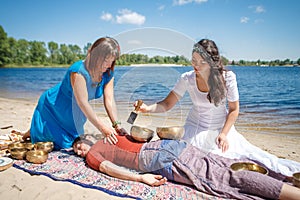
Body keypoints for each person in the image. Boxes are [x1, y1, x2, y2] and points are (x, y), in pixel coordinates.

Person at [133, 39, 300, 176]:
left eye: (202, 62)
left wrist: (224, 134)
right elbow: (167, 103)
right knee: (194, 161)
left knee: (250, 158)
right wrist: (147, 109)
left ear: (212, 62)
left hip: (221, 129)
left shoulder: (227, 77)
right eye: (193, 60)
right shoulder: (187, 78)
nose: (196, 66)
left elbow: (234, 110)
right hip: (194, 128)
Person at [73, 133, 300, 200]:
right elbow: (110, 166)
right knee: (231, 165)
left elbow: (108, 169)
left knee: (225, 178)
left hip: (159, 156)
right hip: (174, 146)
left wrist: (142, 178)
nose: (81, 152)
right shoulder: (107, 141)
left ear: (87, 139)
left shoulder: (96, 148)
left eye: (79, 146)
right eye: (77, 152)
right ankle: (288, 180)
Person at [12, 37, 127, 150]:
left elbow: (109, 100)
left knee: (70, 140)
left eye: (111, 61)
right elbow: (83, 103)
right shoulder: (78, 71)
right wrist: (102, 128)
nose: (108, 65)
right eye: (105, 60)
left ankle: (25, 134)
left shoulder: (108, 73)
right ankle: (25, 134)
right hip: (55, 106)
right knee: (51, 140)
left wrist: (116, 125)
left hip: (75, 113)